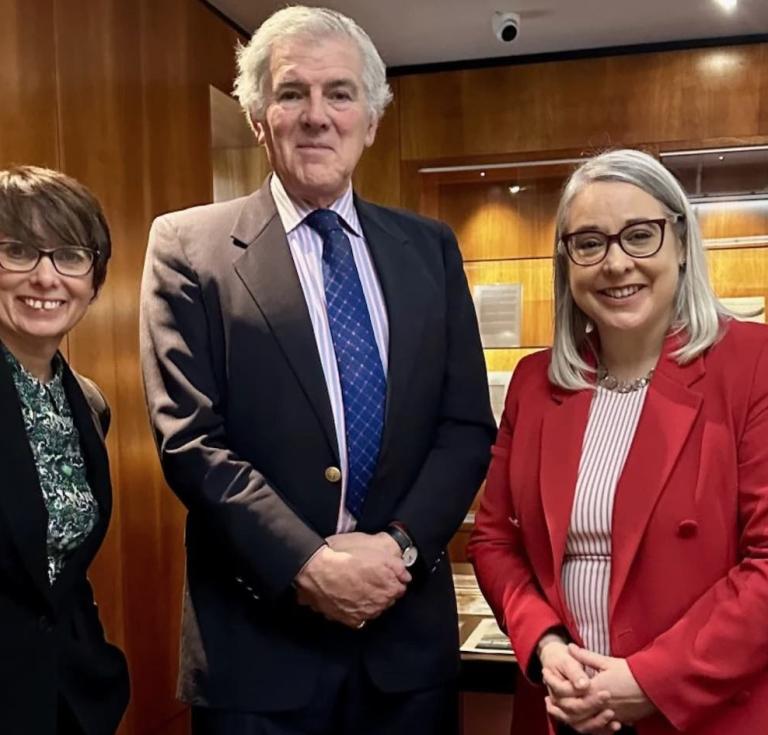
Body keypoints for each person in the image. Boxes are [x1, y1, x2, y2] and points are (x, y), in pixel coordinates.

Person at [139, 6, 494, 734]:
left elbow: (464, 427)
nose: (316, 115)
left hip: (405, 654)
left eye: (339, 93)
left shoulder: (429, 249)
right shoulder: (188, 248)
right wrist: (306, 562)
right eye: (291, 93)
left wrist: (397, 546)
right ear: (258, 118)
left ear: (370, 118)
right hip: (258, 651)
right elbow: (190, 440)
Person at [468, 148, 768, 735]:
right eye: (589, 242)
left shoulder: (752, 364)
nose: (615, 263)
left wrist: (650, 681)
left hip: (700, 708)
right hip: (562, 707)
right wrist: (546, 646)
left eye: (640, 235)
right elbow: (494, 541)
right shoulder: (536, 381)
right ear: (567, 262)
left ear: (681, 243)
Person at [0, 166, 129, 734]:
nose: (46, 277)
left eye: (70, 256)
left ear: (94, 279)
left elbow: (60, 575)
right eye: (17, 251)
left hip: (67, 700)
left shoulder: (88, 401)